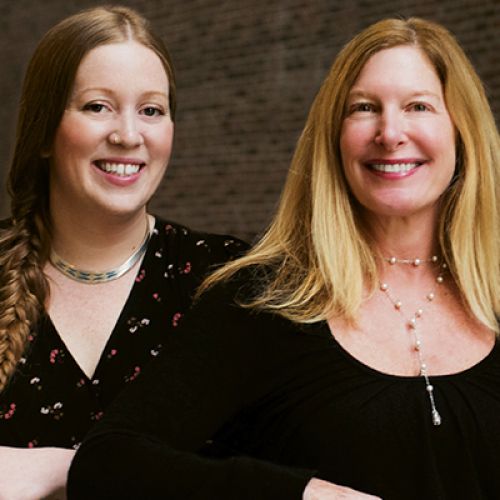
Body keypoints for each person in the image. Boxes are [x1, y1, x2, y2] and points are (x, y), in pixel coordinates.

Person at [68, 15, 499, 500]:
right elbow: (108, 463)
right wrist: (301, 494)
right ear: (333, 137)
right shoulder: (261, 299)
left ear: (461, 131)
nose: (390, 132)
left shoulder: (494, 294)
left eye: (419, 106)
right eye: (364, 108)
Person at [0, 5, 247, 499]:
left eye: (151, 110)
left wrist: (66, 468)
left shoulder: (227, 279)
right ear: (44, 131)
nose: (128, 135)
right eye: (98, 107)